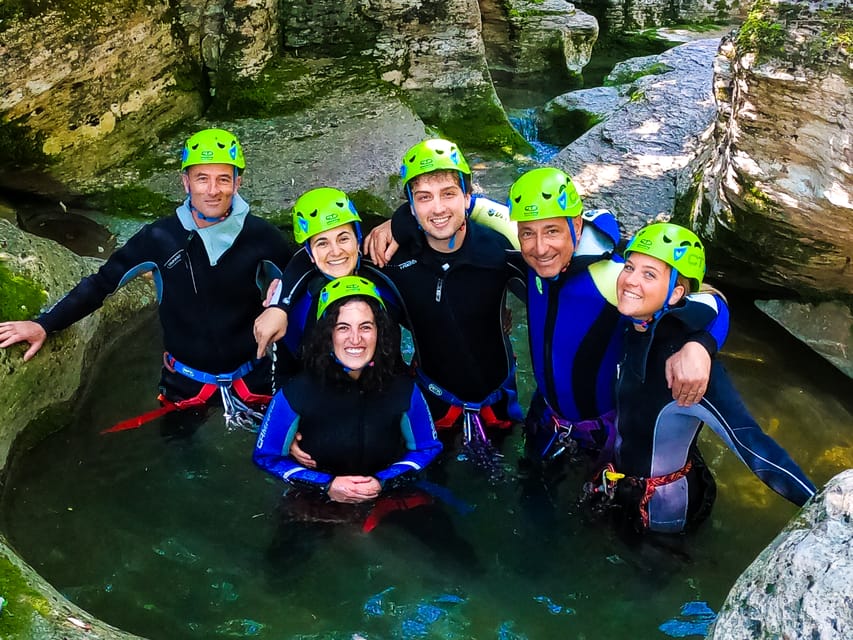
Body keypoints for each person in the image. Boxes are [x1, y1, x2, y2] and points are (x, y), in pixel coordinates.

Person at [0, 128, 292, 431]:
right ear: (186, 182)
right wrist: (45, 324)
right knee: (181, 461)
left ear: (237, 183)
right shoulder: (160, 238)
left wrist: (281, 304)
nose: (212, 190)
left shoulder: (261, 236)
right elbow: (102, 283)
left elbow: (302, 280)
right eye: (202, 178)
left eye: (223, 179)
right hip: (185, 383)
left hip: (253, 378)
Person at [586, 222, 815, 534]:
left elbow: (751, 444)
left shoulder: (686, 366)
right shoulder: (633, 323)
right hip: (622, 480)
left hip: (665, 508)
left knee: (654, 569)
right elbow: (712, 300)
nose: (630, 280)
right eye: (629, 267)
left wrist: (822, 505)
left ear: (677, 293)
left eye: (649, 274)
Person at [506, 167, 729, 463]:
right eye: (528, 234)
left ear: (576, 225)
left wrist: (700, 344)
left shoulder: (614, 277)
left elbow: (714, 301)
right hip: (546, 415)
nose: (540, 247)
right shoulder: (528, 250)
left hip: (602, 432)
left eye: (552, 231)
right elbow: (474, 207)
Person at [368, 138, 527, 447]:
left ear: (468, 197)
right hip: (433, 400)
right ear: (410, 207)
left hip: (499, 399)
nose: (438, 208)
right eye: (424, 197)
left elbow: (560, 257)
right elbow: (330, 258)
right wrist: (280, 303)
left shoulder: (497, 248)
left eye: (449, 194)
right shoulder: (391, 260)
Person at [253, 275, 441, 502]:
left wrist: (383, 481)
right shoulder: (295, 394)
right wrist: (326, 485)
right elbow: (267, 458)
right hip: (315, 504)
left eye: (366, 327)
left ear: (379, 332)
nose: (355, 338)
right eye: (343, 327)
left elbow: (427, 449)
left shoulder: (404, 390)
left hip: (389, 497)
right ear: (328, 335)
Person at [251, 187, 406, 373]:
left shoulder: (385, 277)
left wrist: (397, 223)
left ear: (358, 240)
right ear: (310, 254)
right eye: (322, 243)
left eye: (343, 239)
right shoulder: (298, 303)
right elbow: (289, 372)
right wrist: (280, 304)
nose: (336, 251)